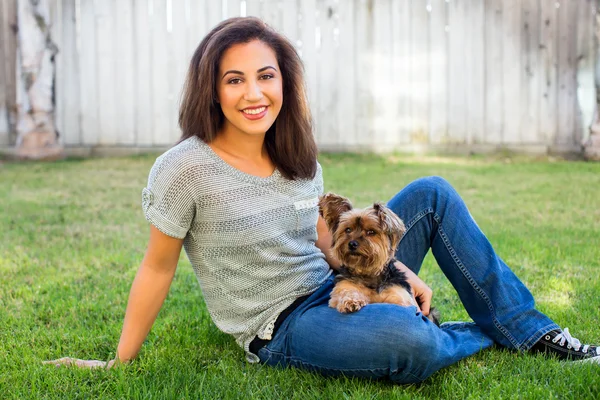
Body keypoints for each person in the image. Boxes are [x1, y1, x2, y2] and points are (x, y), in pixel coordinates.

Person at [46, 17, 600, 383]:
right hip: (282, 324)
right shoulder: (183, 169)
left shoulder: (298, 156)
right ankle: (481, 330)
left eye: (265, 76)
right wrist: (117, 361)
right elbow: (156, 267)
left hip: (342, 283)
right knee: (410, 346)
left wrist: (399, 272)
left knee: (432, 193)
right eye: (233, 80)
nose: (253, 94)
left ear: (284, 82)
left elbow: (331, 245)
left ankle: (530, 330)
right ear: (211, 89)